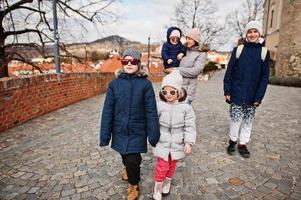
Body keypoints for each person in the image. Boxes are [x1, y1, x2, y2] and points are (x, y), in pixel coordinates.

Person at [99, 48, 160, 200]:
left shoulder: (145, 85)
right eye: (126, 61)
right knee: (124, 155)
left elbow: (151, 111)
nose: (129, 64)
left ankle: (134, 184)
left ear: (139, 63)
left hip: (138, 129)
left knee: (132, 159)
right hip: (119, 129)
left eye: (133, 61)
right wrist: (105, 136)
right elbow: (108, 111)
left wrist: (154, 135)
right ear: (122, 63)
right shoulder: (114, 84)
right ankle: (128, 167)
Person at [223, 21, 270, 158]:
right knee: (236, 119)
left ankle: (242, 143)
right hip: (237, 91)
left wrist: (258, 97)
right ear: (246, 34)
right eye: (250, 31)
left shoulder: (264, 52)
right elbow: (229, 72)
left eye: (255, 31)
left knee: (248, 120)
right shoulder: (239, 50)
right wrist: (227, 91)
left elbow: (264, 77)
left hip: (253, 94)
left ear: (259, 33)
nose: (252, 34)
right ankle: (232, 141)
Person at [152, 70, 196, 200]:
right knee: (162, 166)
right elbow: (152, 121)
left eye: (172, 92)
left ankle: (167, 182)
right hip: (162, 141)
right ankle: (157, 188)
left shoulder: (186, 109)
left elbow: (190, 126)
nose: (168, 95)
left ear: (179, 92)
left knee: (171, 166)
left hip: (177, 142)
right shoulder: (159, 106)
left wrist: (188, 142)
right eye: (165, 92)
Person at [166, 28, 207, 104]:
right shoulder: (182, 49)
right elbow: (172, 62)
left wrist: (176, 70)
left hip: (187, 90)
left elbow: (196, 71)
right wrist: (167, 67)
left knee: (183, 114)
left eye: (190, 39)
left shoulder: (201, 54)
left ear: (196, 40)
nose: (187, 40)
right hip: (175, 87)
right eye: (187, 38)